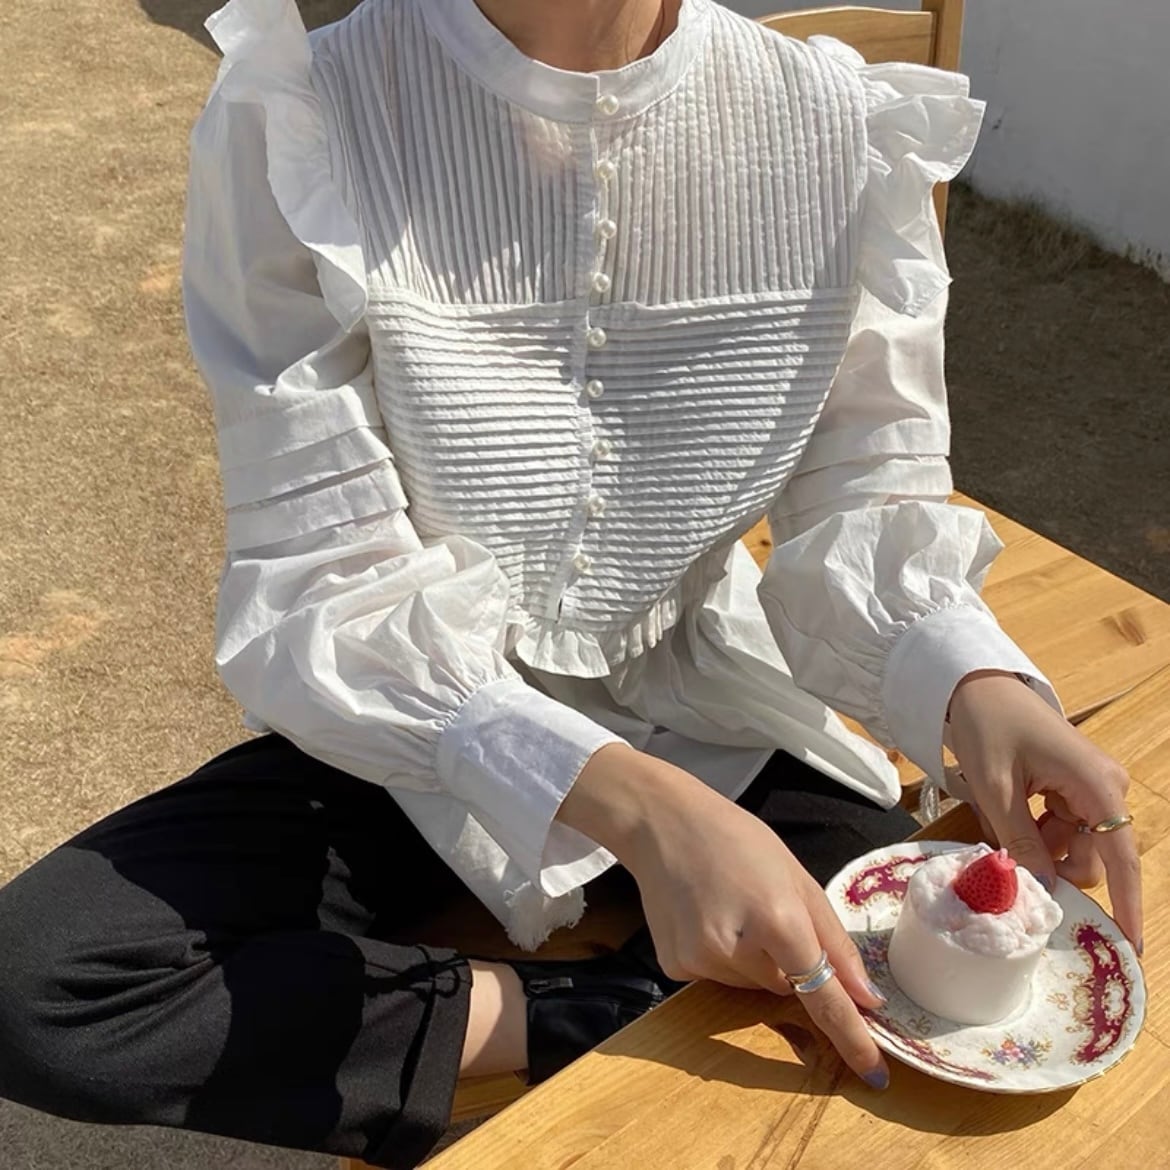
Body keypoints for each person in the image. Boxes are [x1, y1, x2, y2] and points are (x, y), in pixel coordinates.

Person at [0, 0, 1142, 1167]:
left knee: (927, 997)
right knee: (48, 980)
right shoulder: (307, 114)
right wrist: (641, 815)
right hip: (412, 728)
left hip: (704, 709)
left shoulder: (838, 127)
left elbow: (861, 490)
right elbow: (326, 569)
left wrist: (970, 681)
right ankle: (591, 1017)